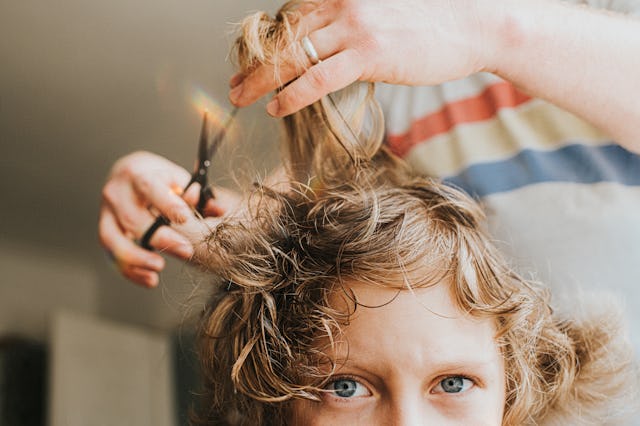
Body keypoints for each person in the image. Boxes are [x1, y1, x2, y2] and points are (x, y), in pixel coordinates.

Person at [170, 5, 638, 424]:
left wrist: (486, 30)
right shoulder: (382, 80)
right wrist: (178, 207)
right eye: (345, 387)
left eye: (452, 383)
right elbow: (312, 234)